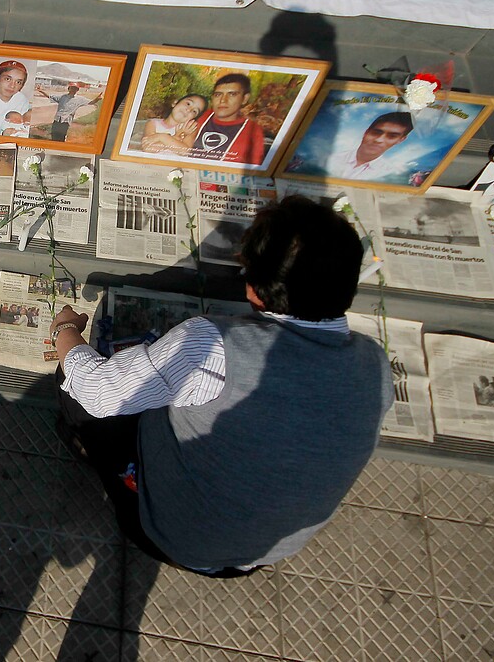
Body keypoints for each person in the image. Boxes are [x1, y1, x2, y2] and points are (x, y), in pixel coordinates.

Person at [51, 195, 392, 576]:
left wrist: (65, 329)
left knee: (73, 381)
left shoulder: (212, 346)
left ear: (253, 291)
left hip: (176, 537)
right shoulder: (375, 364)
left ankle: (106, 466)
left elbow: (98, 391)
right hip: (261, 555)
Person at [188, 74, 265, 165]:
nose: (223, 100)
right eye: (218, 94)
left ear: (244, 99)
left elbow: (255, 169)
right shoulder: (202, 114)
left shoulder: (253, 131)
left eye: (232, 94)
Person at [322, 112, 414, 180]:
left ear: (400, 140)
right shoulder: (329, 158)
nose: (379, 140)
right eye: (376, 132)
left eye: (392, 136)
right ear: (366, 132)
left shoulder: (389, 174)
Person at [140, 93, 206, 153]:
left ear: (193, 119)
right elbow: (149, 148)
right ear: (175, 103)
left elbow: (184, 151)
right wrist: (176, 136)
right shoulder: (153, 123)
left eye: (194, 111)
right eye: (188, 104)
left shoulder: (189, 130)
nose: (189, 110)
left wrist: (161, 137)